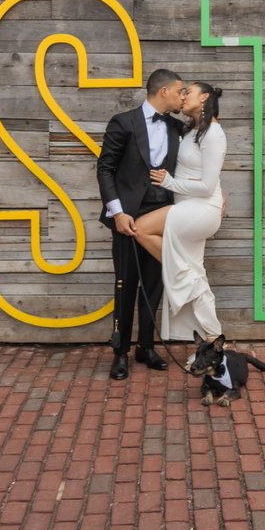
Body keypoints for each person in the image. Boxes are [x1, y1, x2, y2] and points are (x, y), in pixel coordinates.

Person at [97, 69, 186, 380]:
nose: (182, 97)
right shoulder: (124, 122)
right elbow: (105, 168)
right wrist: (117, 212)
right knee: (125, 284)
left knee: (154, 282)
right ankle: (120, 351)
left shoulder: (178, 127)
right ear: (163, 92)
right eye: (179, 92)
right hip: (129, 217)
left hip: (163, 214)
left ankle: (146, 347)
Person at [133, 83, 226, 346]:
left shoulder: (214, 134)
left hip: (201, 208)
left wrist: (169, 183)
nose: (183, 97)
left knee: (141, 228)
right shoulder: (192, 130)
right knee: (194, 270)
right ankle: (212, 338)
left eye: (189, 92)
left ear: (204, 97)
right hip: (190, 206)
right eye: (181, 93)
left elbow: (208, 185)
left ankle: (182, 279)